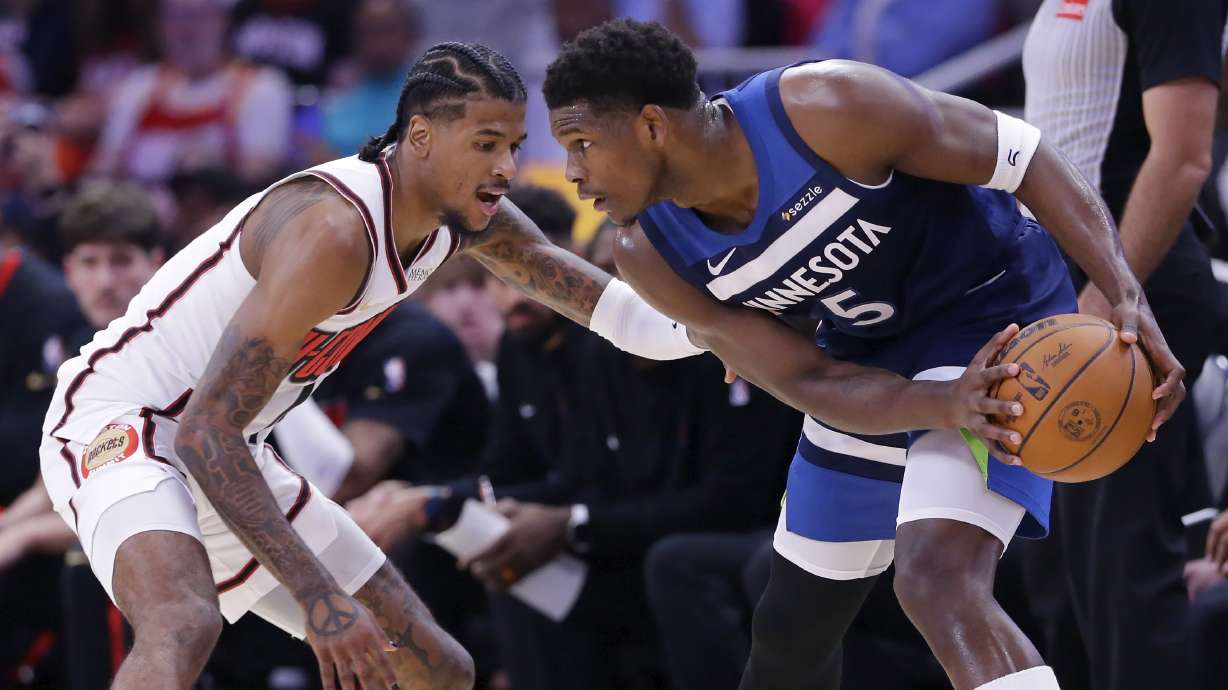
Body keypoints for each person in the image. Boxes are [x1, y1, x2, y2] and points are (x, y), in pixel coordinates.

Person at [38, 40, 702, 690]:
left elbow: (621, 316)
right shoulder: (333, 229)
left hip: (232, 446)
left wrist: (732, 333)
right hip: (123, 424)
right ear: (420, 137)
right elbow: (203, 432)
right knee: (183, 622)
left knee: (436, 669)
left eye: (514, 146)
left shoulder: (468, 218)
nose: (507, 166)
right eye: (486, 143)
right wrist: (321, 601)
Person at [542, 19, 1184, 690]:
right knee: (790, 631)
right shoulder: (650, 253)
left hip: (995, 321)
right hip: (870, 358)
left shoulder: (826, 110)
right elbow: (808, 377)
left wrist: (1121, 290)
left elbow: (1023, 157)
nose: (572, 172)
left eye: (582, 143)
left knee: (938, 580)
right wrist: (939, 403)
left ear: (652, 126)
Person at [1021, 2, 1227, 688]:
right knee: (1061, 594)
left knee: (1124, 587)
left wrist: (1110, 295)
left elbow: (1184, 156)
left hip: (1130, 298)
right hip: (1066, 295)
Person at [91, 0, 293, 186]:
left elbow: (260, 178)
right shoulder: (139, 86)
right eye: (175, 18)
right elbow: (104, 167)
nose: (187, 30)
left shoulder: (261, 86)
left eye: (199, 17)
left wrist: (211, 170)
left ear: (224, 22)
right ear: (159, 27)